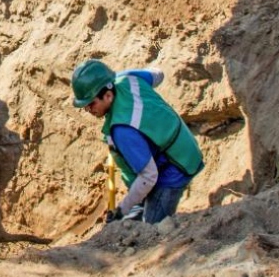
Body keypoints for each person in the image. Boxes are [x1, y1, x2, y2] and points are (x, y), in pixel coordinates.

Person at [71, 59, 203, 225]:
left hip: (175, 168)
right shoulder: (128, 79)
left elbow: (149, 176)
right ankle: (139, 205)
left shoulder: (123, 131)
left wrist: (121, 210)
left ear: (108, 95)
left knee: (151, 230)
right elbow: (158, 75)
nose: (88, 110)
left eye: (91, 104)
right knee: (140, 203)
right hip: (183, 145)